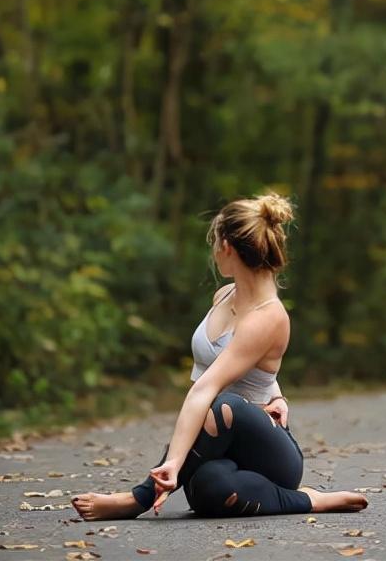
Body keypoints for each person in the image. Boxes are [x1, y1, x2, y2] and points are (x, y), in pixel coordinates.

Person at [72, 193, 367, 519]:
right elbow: (251, 363)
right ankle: (304, 499)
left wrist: (173, 462)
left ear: (226, 247)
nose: (213, 253)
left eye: (214, 243)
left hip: (266, 454)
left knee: (222, 405)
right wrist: (277, 394)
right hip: (220, 447)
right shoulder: (224, 295)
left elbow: (206, 387)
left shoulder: (268, 316)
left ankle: (138, 499)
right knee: (210, 488)